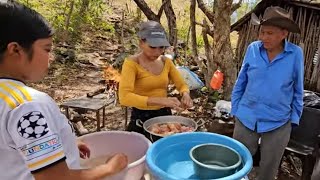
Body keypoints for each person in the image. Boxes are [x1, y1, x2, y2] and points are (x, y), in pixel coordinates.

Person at [0, 1, 127, 180]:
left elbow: (12, 147)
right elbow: (55, 177)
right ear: (15, 50)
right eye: (46, 49)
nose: (50, 58)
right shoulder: (27, 105)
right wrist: (109, 168)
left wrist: (64, 140)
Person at [231, 6, 304, 180]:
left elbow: (298, 89)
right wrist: (235, 109)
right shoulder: (253, 49)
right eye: (262, 32)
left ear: (284, 34)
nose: (263, 37)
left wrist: (293, 120)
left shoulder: (295, 54)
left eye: (269, 33)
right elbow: (241, 81)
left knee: (269, 169)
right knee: (237, 164)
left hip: (278, 121)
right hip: (246, 116)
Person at [119, 21, 193, 135]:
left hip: (164, 115)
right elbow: (125, 97)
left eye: (161, 47)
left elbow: (182, 85)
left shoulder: (166, 62)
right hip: (141, 115)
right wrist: (160, 100)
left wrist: (185, 94)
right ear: (141, 43)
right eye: (153, 47)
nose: (158, 52)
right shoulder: (132, 64)